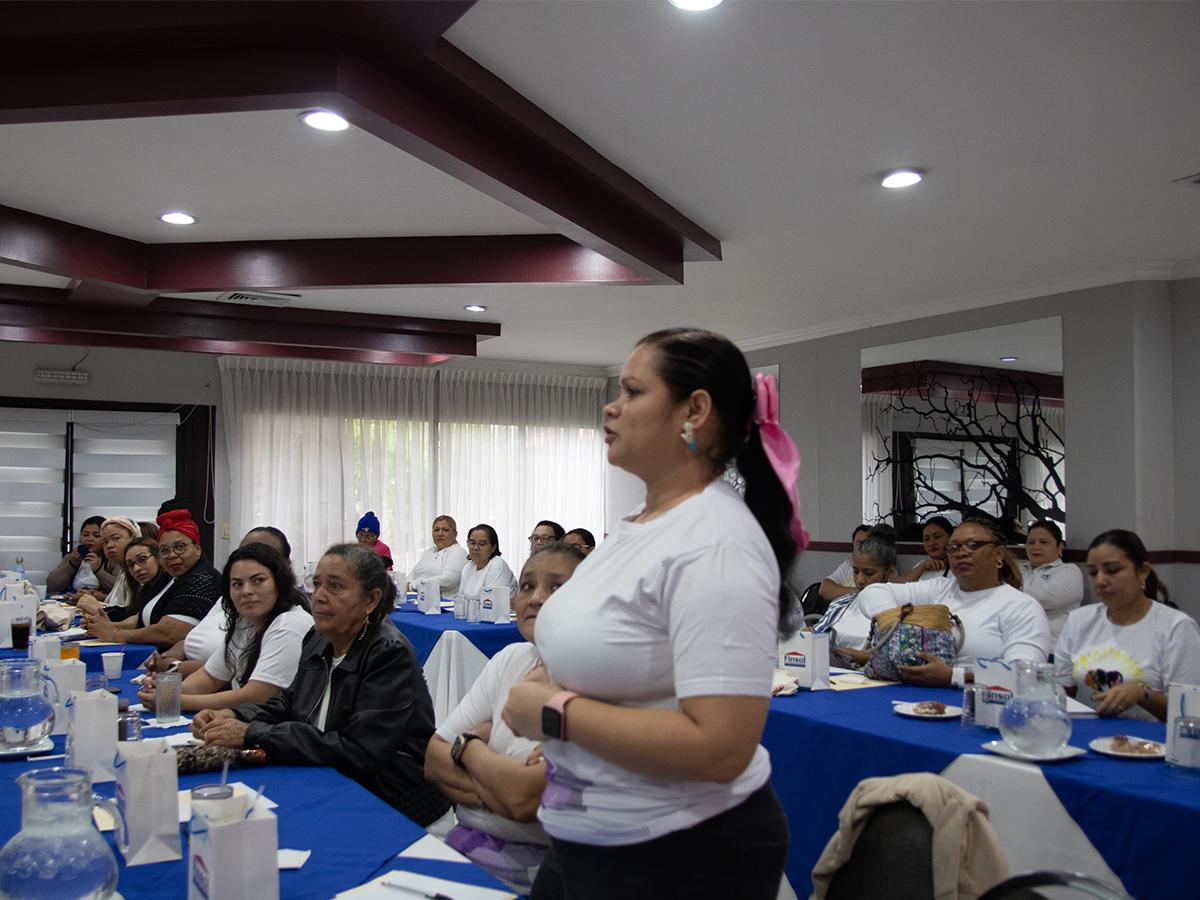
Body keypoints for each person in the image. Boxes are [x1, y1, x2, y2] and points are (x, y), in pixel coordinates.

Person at [501, 328, 804, 900]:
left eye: (633, 391)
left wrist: (555, 712)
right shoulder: (639, 525)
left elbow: (719, 747)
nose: (611, 406)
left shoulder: (714, 541)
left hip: (677, 851)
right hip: (591, 832)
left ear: (695, 410)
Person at [191, 543, 450, 826]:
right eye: (317, 584)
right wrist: (236, 715)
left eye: (335, 587)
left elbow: (359, 751)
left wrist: (253, 732)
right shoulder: (318, 638)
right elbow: (290, 701)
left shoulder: (388, 653)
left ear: (371, 600)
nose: (319, 597)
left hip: (391, 800)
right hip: (327, 776)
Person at [425, 542, 587, 893]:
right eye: (527, 586)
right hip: (462, 844)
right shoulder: (511, 659)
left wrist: (468, 747)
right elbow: (434, 757)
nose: (536, 598)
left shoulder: (592, 684)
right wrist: (498, 789)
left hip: (542, 871)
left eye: (556, 587)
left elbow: (523, 799)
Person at [856, 517, 1050, 687]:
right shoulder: (939, 589)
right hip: (914, 700)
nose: (961, 553)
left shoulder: (1021, 607)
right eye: (954, 547)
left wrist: (954, 676)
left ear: (998, 554)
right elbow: (872, 592)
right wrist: (895, 627)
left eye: (973, 545)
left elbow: (1026, 673)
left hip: (982, 707)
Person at [139, 543, 312, 713]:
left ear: (279, 583)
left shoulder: (288, 624)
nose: (246, 591)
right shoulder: (245, 621)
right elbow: (210, 677)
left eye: (258, 581)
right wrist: (168, 691)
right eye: (237, 584)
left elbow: (256, 696)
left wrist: (177, 701)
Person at [1054, 529, 1200, 721]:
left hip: (1151, 743)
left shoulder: (1176, 627)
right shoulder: (1079, 620)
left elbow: (1189, 712)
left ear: (1143, 572)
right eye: (1093, 572)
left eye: (1112, 570)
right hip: (1086, 734)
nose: (1101, 581)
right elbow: (1062, 688)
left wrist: (1143, 694)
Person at [146, 526, 296, 677]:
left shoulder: (283, 621)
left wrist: (173, 668)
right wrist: (169, 657)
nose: (251, 560)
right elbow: (202, 640)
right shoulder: (234, 598)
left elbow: (238, 671)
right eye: (245, 552)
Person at [81, 507, 220, 650]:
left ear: (197, 547)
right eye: (165, 550)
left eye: (180, 547)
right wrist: (106, 626)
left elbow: (169, 633)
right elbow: (141, 616)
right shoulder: (173, 577)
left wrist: (116, 634)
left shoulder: (201, 579)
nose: (172, 555)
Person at [814, 531, 897, 655]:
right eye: (855, 572)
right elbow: (816, 635)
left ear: (889, 573)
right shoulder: (841, 604)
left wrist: (865, 657)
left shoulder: (899, 612)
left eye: (869, 573)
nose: (859, 580)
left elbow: (897, 658)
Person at [1018, 520, 1084, 642]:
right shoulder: (1018, 569)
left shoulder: (1069, 571)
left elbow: (1045, 599)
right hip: (1017, 642)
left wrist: (1011, 596)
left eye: (1043, 542)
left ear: (1059, 547)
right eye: (1031, 542)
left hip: (1054, 648)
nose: (1035, 547)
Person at [74, 517, 144, 621]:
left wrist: (99, 609)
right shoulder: (123, 572)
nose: (109, 546)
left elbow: (138, 617)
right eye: (105, 542)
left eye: (116, 538)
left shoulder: (141, 572)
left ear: (134, 539)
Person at [46, 516, 115, 595]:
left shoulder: (113, 558)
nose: (89, 539)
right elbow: (51, 586)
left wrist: (98, 570)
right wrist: (72, 565)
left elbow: (119, 589)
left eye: (96, 536)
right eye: (85, 535)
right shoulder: (71, 557)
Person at [409, 515, 469, 594]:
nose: (440, 533)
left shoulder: (459, 552)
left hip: (445, 603)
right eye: (436, 530)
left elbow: (447, 580)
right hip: (419, 600)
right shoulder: (429, 552)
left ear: (455, 534)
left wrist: (412, 586)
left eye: (445, 530)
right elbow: (410, 577)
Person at [460, 524, 517, 601]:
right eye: (472, 543)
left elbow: (490, 603)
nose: (476, 548)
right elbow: (460, 599)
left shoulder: (497, 564)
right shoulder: (467, 567)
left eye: (482, 544)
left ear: (493, 547)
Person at [817, 524, 872, 602]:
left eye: (868, 543)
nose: (863, 547)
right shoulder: (848, 565)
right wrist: (858, 592)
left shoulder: (881, 569)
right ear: (853, 544)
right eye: (859, 543)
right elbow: (824, 590)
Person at [893, 515, 955, 583]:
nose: (931, 543)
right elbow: (895, 586)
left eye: (937, 537)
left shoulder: (959, 566)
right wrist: (922, 567)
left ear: (951, 537)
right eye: (926, 539)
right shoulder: (923, 566)